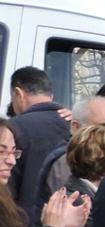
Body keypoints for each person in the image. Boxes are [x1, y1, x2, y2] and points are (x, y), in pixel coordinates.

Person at [8, 66, 67, 218]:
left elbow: (8, 187)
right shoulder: (75, 125)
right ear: (51, 96)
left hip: (24, 226)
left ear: (18, 94)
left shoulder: (14, 128)